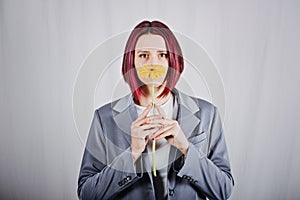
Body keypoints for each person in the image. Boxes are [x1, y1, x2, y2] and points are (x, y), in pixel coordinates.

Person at [77, 20, 234, 200]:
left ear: (173, 61)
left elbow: (223, 190)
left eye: (162, 55)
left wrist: (186, 147)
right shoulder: (104, 118)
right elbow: (87, 194)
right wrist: (133, 153)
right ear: (132, 63)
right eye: (143, 55)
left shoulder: (208, 113)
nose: (153, 63)